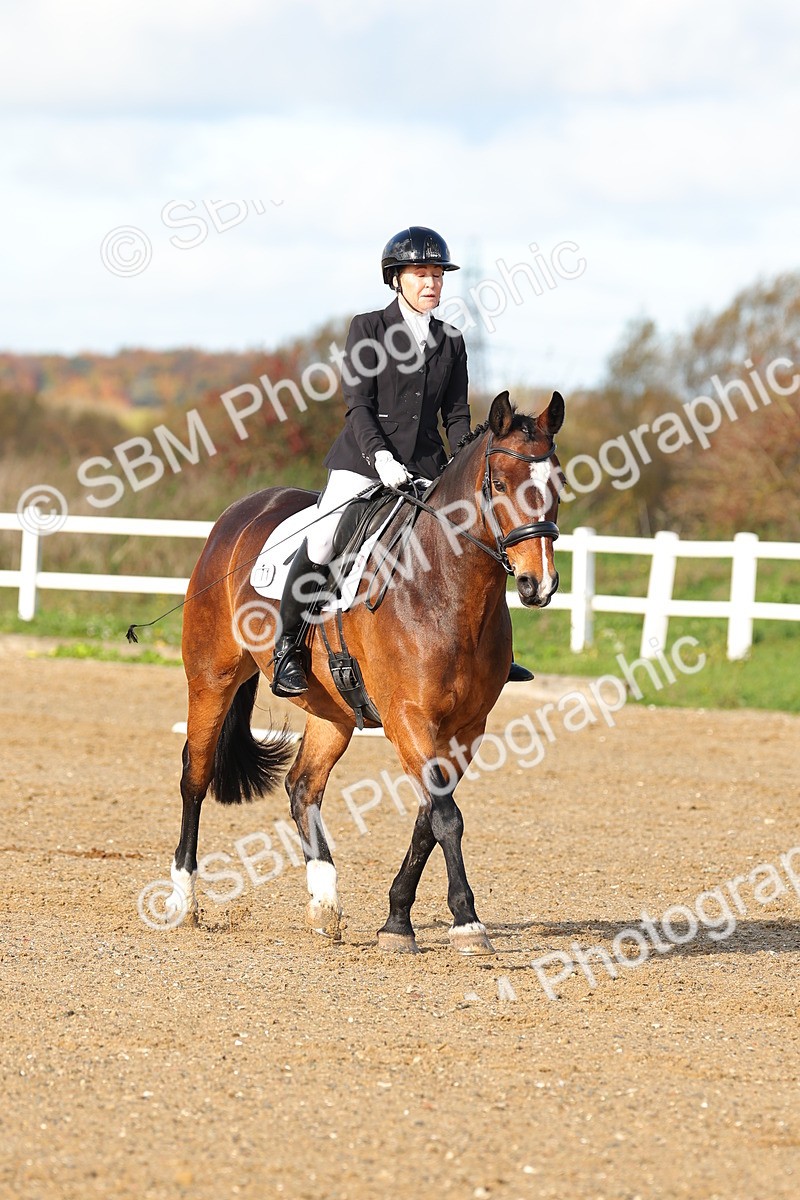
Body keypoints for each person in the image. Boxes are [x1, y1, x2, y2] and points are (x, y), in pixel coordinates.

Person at [271, 225, 533, 697]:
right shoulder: (367, 328)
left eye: (438, 274)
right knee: (325, 536)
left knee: (474, 535)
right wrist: (382, 458)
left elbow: (455, 414)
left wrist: (462, 464)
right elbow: (358, 405)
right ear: (396, 278)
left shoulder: (451, 340)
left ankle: (496, 652)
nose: (431, 282)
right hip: (363, 460)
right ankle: (287, 646)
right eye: (421, 273)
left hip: (429, 467)